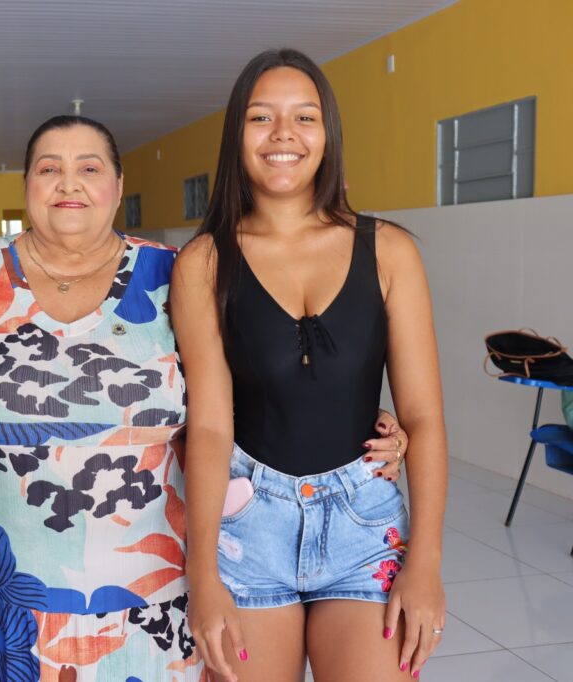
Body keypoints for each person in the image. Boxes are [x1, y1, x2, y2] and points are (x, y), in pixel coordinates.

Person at [0, 113, 411, 681]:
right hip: (17, 614)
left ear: (117, 186)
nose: (69, 182)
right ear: (27, 186)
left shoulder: (178, 275)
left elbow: (252, 385)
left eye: (89, 167)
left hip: (160, 606)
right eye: (49, 167)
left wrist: (373, 424)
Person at [172, 49, 447, 682]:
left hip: (364, 525)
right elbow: (210, 427)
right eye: (261, 117)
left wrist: (426, 564)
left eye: (304, 117)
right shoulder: (204, 263)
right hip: (248, 526)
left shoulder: (389, 251)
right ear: (237, 134)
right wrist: (202, 572)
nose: (283, 135)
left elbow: (424, 418)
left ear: (328, 135)